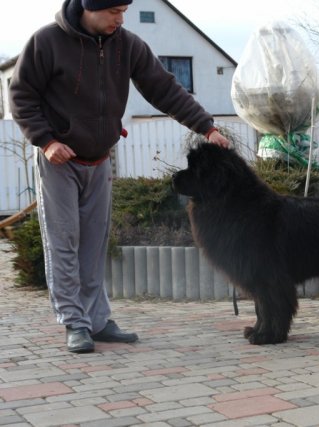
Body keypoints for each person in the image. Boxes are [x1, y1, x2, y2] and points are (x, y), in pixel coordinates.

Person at [9, 0, 230, 353]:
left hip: (99, 160)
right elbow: (21, 95)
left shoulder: (128, 46)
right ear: (90, 7)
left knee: (95, 245)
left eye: (124, 10)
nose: (121, 19)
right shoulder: (47, 42)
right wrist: (46, 141)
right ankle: (74, 322)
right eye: (114, 11)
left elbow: (165, 89)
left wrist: (206, 127)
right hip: (58, 161)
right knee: (64, 242)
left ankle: (96, 320)